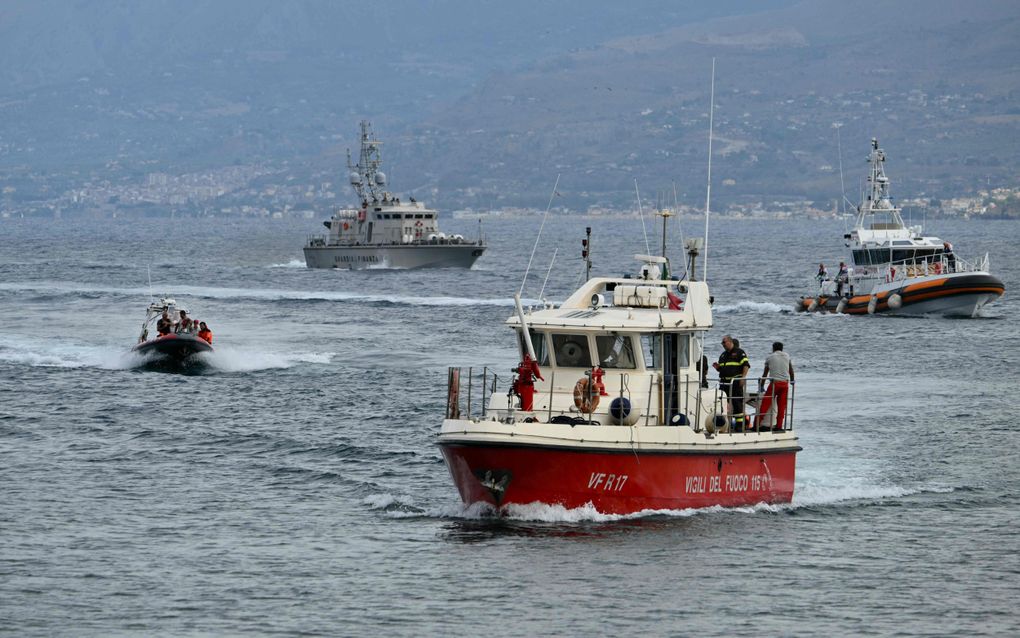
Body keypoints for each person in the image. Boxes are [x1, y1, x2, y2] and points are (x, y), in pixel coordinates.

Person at [712, 334, 750, 432]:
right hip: (724, 383)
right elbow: (723, 369)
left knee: (737, 404)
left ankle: (739, 425)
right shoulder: (723, 355)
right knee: (722, 403)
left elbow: (746, 365)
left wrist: (743, 378)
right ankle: (724, 424)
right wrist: (718, 368)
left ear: (730, 341)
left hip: (735, 383)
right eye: (722, 343)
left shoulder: (739, 353)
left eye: (724, 342)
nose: (723, 345)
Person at [756, 342, 795, 432]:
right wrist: (792, 381)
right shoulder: (787, 356)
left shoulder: (770, 357)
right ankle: (779, 426)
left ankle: (757, 424)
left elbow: (765, 374)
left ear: (773, 348)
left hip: (774, 384)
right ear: (782, 348)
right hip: (785, 384)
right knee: (782, 407)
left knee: (765, 404)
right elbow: (791, 370)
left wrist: (761, 386)